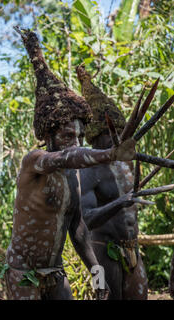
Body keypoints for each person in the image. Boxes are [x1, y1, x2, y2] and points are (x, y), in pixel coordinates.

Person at [5, 28, 136, 300]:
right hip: (22, 272)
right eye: (67, 135)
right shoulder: (35, 162)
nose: (74, 142)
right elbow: (67, 157)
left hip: (56, 272)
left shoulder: (73, 175)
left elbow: (78, 230)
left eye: (79, 135)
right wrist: (109, 154)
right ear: (48, 135)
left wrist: (97, 274)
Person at [76, 65, 148, 300]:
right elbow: (85, 219)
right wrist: (120, 202)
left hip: (133, 250)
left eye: (120, 132)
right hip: (101, 253)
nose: (118, 139)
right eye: (112, 134)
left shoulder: (126, 162)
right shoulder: (89, 170)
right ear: (97, 138)